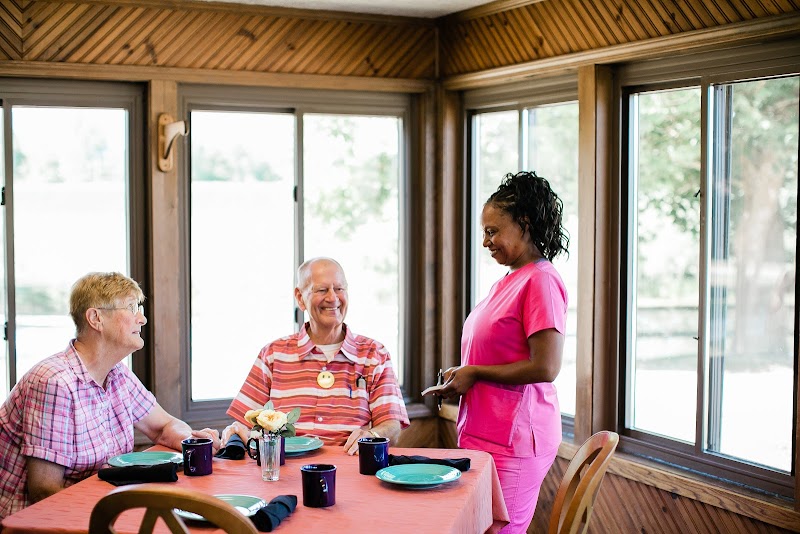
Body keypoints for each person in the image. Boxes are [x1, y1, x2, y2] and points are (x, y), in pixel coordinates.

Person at [0, 272, 221, 520]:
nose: (143, 319)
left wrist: (195, 441)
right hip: (37, 521)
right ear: (96, 318)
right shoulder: (55, 382)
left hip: (98, 507)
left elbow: (163, 427)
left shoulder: (118, 375)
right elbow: (44, 490)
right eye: (131, 308)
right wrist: (118, 515)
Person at [437, 171, 569, 533]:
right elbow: (497, 352)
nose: (485, 241)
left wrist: (476, 373)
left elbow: (546, 366)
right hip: (487, 432)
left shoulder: (541, 279)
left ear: (524, 225)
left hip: (515, 438)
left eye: (492, 231)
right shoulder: (509, 280)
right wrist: (464, 373)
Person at [225, 257, 409, 455]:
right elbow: (243, 422)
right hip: (284, 473)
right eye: (322, 290)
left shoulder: (374, 354)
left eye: (339, 289)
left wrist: (373, 434)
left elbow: (392, 426)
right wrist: (235, 432)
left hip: (351, 472)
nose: (333, 298)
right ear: (300, 297)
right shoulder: (272, 355)